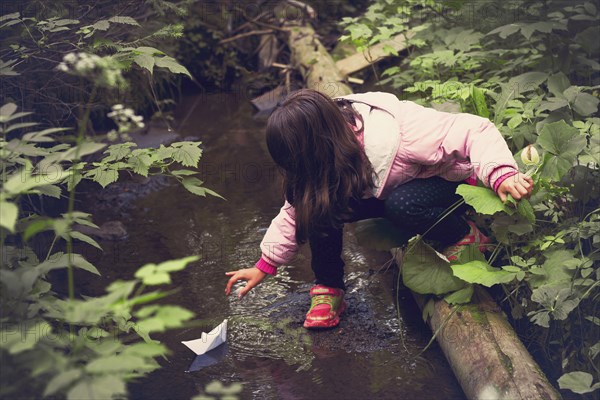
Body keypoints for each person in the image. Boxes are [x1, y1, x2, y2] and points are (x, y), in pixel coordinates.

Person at [224, 89, 533, 329]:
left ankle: (463, 233)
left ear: (318, 147)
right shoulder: (324, 161)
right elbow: (295, 209)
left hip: (448, 183)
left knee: (403, 204)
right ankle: (329, 286)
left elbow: (474, 129)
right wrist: (265, 264)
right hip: (390, 188)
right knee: (319, 205)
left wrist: (500, 174)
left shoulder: (404, 134)